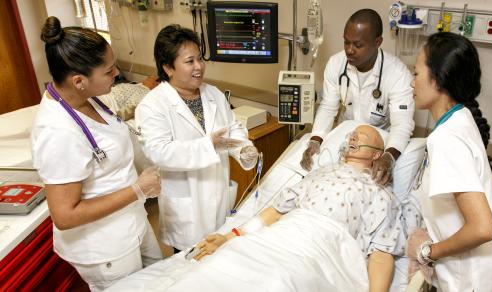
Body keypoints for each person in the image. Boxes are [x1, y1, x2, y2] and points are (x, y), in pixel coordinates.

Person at [179, 125, 405, 292]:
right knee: (223, 263)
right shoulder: (319, 173)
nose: (354, 137)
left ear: (377, 155)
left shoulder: (380, 193)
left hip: (322, 245)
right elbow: (275, 211)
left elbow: (382, 254)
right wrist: (229, 237)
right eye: (352, 134)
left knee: (279, 281)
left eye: (362, 136)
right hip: (286, 232)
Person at [31, 16, 163, 291]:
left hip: (132, 221)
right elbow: (65, 216)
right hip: (106, 248)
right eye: (109, 70)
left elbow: (124, 99)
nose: (116, 74)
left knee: (161, 281)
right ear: (79, 80)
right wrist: (137, 190)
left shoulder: (90, 98)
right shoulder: (58, 132)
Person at [406, 32, 492, 291]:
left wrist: (426, 251)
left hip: (474, 282)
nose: (412, 83)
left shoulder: (447, 138)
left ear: (439, 80)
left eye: (416, 74)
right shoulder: (460, 118)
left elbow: (482, 228)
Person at [136, 24, 259, 254]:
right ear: (168, 67)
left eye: (200, 59)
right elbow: (159, 152)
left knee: (220, 255)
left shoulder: (213, 93)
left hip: (218, 193)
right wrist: (208, 145)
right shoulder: (153, 105)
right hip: (186, 208)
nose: (199, 67)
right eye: (189, 61)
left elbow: (231, 128)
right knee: (189, 266)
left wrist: (243, 149)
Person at [301, 9, 415, 186]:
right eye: (346, 42)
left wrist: (389, 157)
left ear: (377, 42)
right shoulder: (336, 64)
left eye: (358, 45)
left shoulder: (398, 74)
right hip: (343, 137)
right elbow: (328, 107)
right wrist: (316, 139)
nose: (349, 50)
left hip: (377, 144)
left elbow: (402, 124)